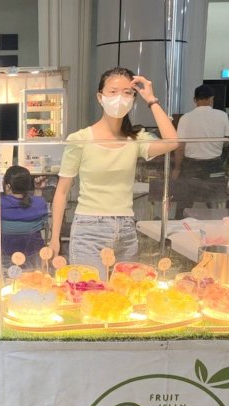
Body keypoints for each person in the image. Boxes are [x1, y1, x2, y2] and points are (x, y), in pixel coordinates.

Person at [48, 67, 178, 277]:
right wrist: (54, 238)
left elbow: (172, 142)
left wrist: (151, 100)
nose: (120, 98)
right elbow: (62, 191)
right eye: (113, 91)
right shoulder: (80, 139)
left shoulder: (136, 138)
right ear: (100, 97)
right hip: (89, 228)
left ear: (133, 99)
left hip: (126, 227)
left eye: (127, 93)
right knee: (91, 290)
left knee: (124, 292)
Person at [172, 84, 229, 218]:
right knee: (215, 204)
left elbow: (180, 146)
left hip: (191, 166)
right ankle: (218, 226)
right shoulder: (222, 116)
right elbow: (227, 141)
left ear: (195, 100)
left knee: (184, 203)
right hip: (215, 166)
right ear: (211, 99)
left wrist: (177, 169)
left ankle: (179, 225)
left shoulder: (185, 118)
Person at [0, 166, 48, 261]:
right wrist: (38, 190)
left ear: (8, 186)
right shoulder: (40, 203)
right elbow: (35, 206)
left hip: (4, 258)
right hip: (34, 258)